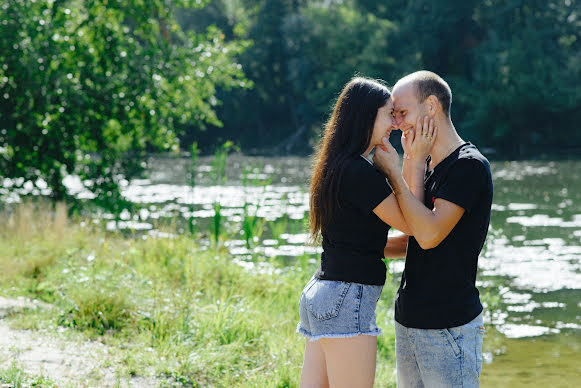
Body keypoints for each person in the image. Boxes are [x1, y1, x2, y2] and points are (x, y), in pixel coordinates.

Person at [296, 77, 436, 388]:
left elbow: (363, 242)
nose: (395, 124)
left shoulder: (335, 164)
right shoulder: (361, 173)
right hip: (345, 299)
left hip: (321, 293)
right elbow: (415, 224)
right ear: (366, 116)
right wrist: (404, 167)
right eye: (389, 114)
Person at [372, 70, 493, 387]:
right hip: (409, 320)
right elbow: (413, 235)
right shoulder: (426, 166)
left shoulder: (469, 166)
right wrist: (353, 243)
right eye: (393, 115)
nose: (397, 123)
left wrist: (400, 171)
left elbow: (428, 235)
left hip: (448, 325)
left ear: (431, 106)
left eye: (402, 112)